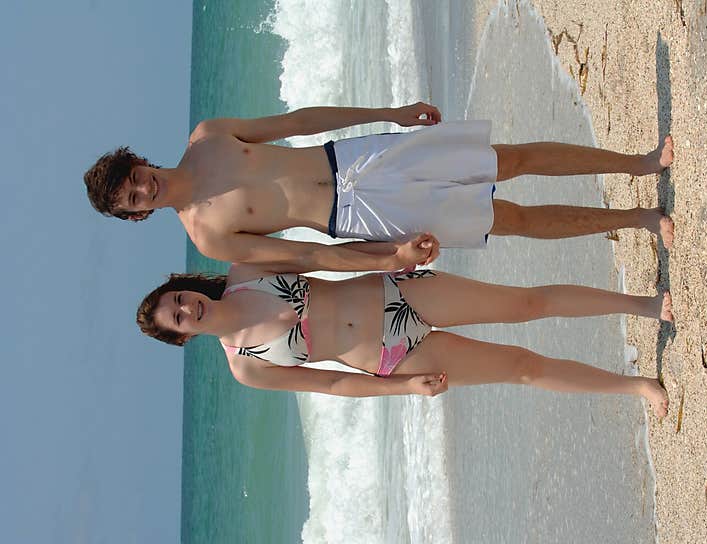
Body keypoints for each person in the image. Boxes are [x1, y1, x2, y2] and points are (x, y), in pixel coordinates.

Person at [86, 102, 675, 272]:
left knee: (507, 160)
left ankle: (639, 164)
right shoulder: (209, 236)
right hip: (356, 218)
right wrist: (386, 261)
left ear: (139, 162)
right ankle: (638, 221)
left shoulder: (209, 135)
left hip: (355, 156)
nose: (145, 189)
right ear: (138, 214)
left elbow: (298, 123)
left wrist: (388, 112)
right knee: (508, 219)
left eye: (135, 178)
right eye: (134, 199)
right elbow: (304, 254)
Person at [136, 263, 674, 417]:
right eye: (178, 319)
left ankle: (645, 305)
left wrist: (393, 254)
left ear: (183, 288)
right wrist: (405, 388)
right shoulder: (246, 366)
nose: (186, 308)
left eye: (177, 299)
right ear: (183, 337)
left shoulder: (245, 271)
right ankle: (637, 387)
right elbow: (332, 385)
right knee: (521, 367)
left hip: (396, 291)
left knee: (525, 303)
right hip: (393, 355)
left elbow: (326, 258)